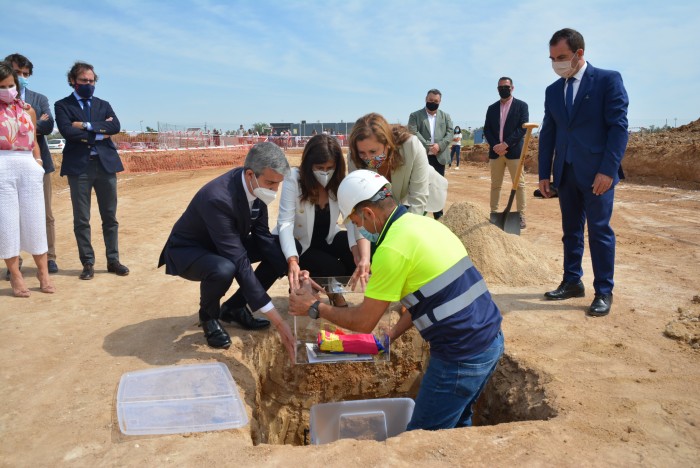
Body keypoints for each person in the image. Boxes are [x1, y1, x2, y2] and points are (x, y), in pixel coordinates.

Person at [289, 170, 504, 430]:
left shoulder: (392, 249)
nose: (360, 229)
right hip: (490, 340)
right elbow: (427, 298)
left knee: (423, 438)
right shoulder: (426, 226)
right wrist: (389, 335)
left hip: (461, 354)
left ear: (368, 213)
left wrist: (314, 307)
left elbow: (364, 321)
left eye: (357, 222)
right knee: (458, 424)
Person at [158, 142, 295, 359]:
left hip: (224, 244)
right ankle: (209, 317)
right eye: (270, 183)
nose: (274, 191)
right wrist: (278, 321)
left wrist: (293, 273)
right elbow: (238, 260)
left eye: (278, 184)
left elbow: (262, 237)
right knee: (225, 268)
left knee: (274, 248)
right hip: (190, 250)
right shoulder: (218, 198)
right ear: (250, 174)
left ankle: (234, 308)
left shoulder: (257, 188)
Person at [538, 28, 629, 317]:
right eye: (552, 58)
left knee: (600, 231)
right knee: (571, 231)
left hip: (597, 174)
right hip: (565, 172)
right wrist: (543, 173)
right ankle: (572, 281)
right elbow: (549, 133)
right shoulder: (553, 91)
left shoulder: (607, 80)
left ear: (579, 54)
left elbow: (618, 128)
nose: (557, 63)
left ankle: (603, 291)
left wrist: (608, 170)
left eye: (562, 57)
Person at [275, 134, 370, 296]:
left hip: (327, 239)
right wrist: (292, 259)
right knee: (333, 268)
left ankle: (331, 290)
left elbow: (351, 219)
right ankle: (314, 289)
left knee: (362, 252)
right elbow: (285, 222)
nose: (325, 173)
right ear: (308, 165)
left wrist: (355, 250)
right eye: (319, 168)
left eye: (330, 168)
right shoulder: (294, 179)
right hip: (300, 245)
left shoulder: (340, 182)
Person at [0, 62, 55, 297]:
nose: (8, 90)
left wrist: (38, 163)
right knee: (7, 223)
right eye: (2, 86)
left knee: (35, 221)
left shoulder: (28, 109)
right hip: (2, 165)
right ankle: (16, 276)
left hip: (28, 165)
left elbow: (33, 140)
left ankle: (43, 273)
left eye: (11, 85)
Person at [347, 112, 430, 216]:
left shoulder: (411, 146)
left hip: (423, 193)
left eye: (373, 151)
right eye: (362, 153)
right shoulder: (354, 157)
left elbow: (418, 199)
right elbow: (360, 200)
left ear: (388, 144)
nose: (368, 158)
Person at [483, 77, 530, 229]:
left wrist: (506, 144)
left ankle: (521, 215)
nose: (503, 89)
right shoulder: (492, 108)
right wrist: (496, 145)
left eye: (506, 87)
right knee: (495, 185)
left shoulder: (521, 106)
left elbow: (522, 128)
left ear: (512, 88)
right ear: (497, 89)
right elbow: (487, 129)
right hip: (496, 153)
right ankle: (494, 213)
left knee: (520, 185)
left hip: (514, 151)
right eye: (501, 87)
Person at [408, 89, 454, 219]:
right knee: (420, 186)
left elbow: (450, 133)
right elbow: (413, 131)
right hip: (421, 156)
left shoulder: (446, 116)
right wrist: (429, 147)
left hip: (439, 157)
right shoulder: (415, 116)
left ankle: (439, 217)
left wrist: (439, 146)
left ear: (440, 102)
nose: (433, 103)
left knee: (437, 187)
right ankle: (419, 216)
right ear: (425, 99)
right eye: (430, 100)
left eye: (436, 101)